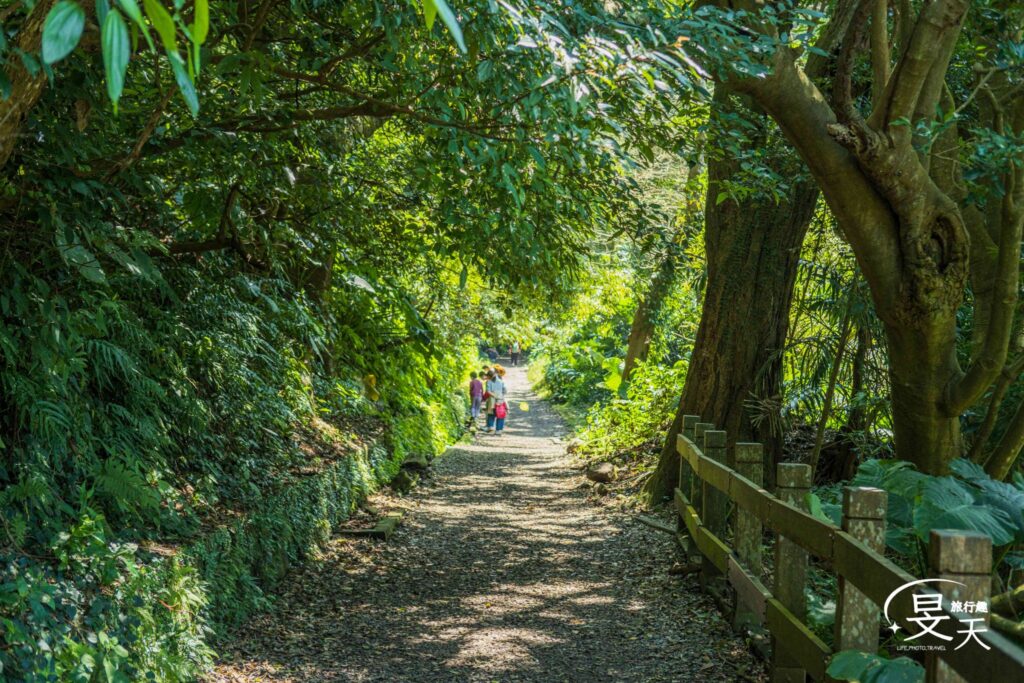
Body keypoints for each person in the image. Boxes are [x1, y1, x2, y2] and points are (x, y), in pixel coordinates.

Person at [483, 370, 507, 434]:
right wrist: (499, 395)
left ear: (489, 376)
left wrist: (494, 395)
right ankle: (498, 430)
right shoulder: (501, 381)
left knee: (491, 414)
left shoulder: (488, 382)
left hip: (492, 400)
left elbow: (488, 391)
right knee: (500, 414)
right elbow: (505, 391)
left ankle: (490, 427)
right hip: (500, 400)